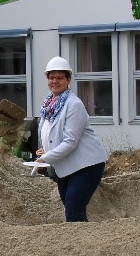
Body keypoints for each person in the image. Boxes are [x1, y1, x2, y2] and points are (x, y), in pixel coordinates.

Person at [34, 56, 108, 223]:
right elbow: (53, 135)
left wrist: (46, 158)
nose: (55, 81)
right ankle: (82, 244)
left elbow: (70, 141)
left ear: (68, 80)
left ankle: (81, 245)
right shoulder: (48, 105)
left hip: (86, 166)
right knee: (72, 210)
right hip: (65, 166)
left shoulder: (74, 104)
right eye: (52, 77)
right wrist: (45, 149)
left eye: (60, 78)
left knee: (74, 207)